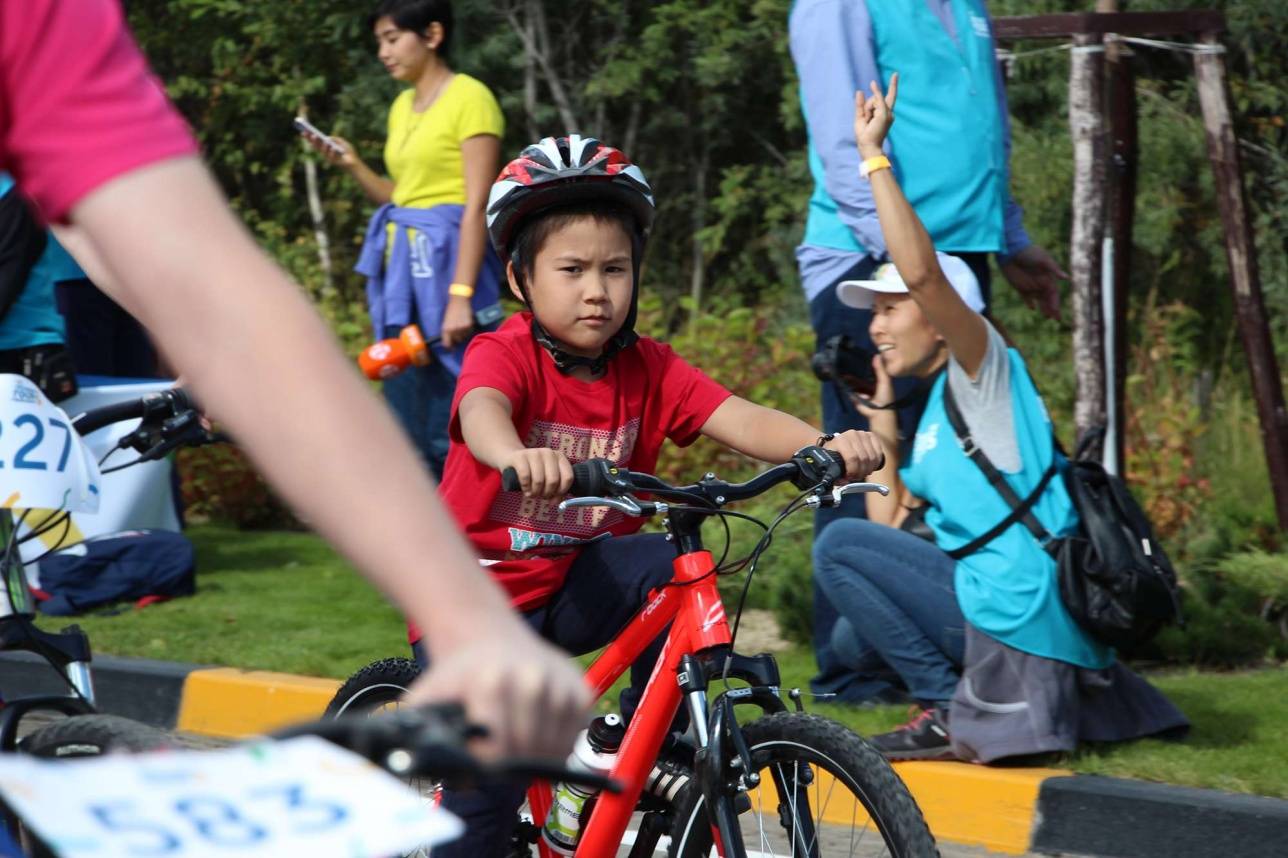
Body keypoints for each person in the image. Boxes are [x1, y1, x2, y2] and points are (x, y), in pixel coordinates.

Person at [0, 0, 588, 759]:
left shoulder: (41, 19)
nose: (383, 50)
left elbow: (214, 298)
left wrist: (466, 621)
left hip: (435, 279)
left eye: (391, 35)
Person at [428, 134, 884, 854]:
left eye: (615, 269)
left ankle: (630, 746)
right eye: (571, 269)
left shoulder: (647, 367)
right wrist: (516, 453)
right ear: (520, 279)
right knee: (482, 797)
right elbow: (482, 411)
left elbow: (739, 416)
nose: (597, 290)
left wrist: (822, 446)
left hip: (570, 584)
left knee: (664, 564)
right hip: (472, 602)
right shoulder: (504, 353)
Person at [811, 77, 1186, 762]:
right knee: (849, 640)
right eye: (873, 312)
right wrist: (885, 412)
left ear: (941, 314)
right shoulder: (935, 412)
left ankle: (949, 710)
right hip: (1012, 601)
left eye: (888, 310)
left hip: (1024, 605)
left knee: (834, 550)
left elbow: (924, 273)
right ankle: (954, 695)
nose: (876, 327)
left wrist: (874, 158)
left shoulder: (985, 367)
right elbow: (887, 525)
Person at [788, 0, 1072, 700]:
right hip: (876, 257)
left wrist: (1008, 239)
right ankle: (855, 673)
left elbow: (986, 128)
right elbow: (840, 134)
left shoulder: (968, 5)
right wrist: (903, 276)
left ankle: (969, 647)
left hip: (954, 258)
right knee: (867, 459)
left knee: (963, 468)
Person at [308, 0, 504, 480]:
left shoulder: (470, 97)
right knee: (405, 425)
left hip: (450, 274)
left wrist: (459, 297)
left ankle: (476, 543)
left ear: (432, 35)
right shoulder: (401, 105)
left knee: (448, 425)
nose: (383, 52)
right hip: (404, 279)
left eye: (392, 38)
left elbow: (478, 202)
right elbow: (402, 199)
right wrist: (353, 165)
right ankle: (426, 543)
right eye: (380, 41)